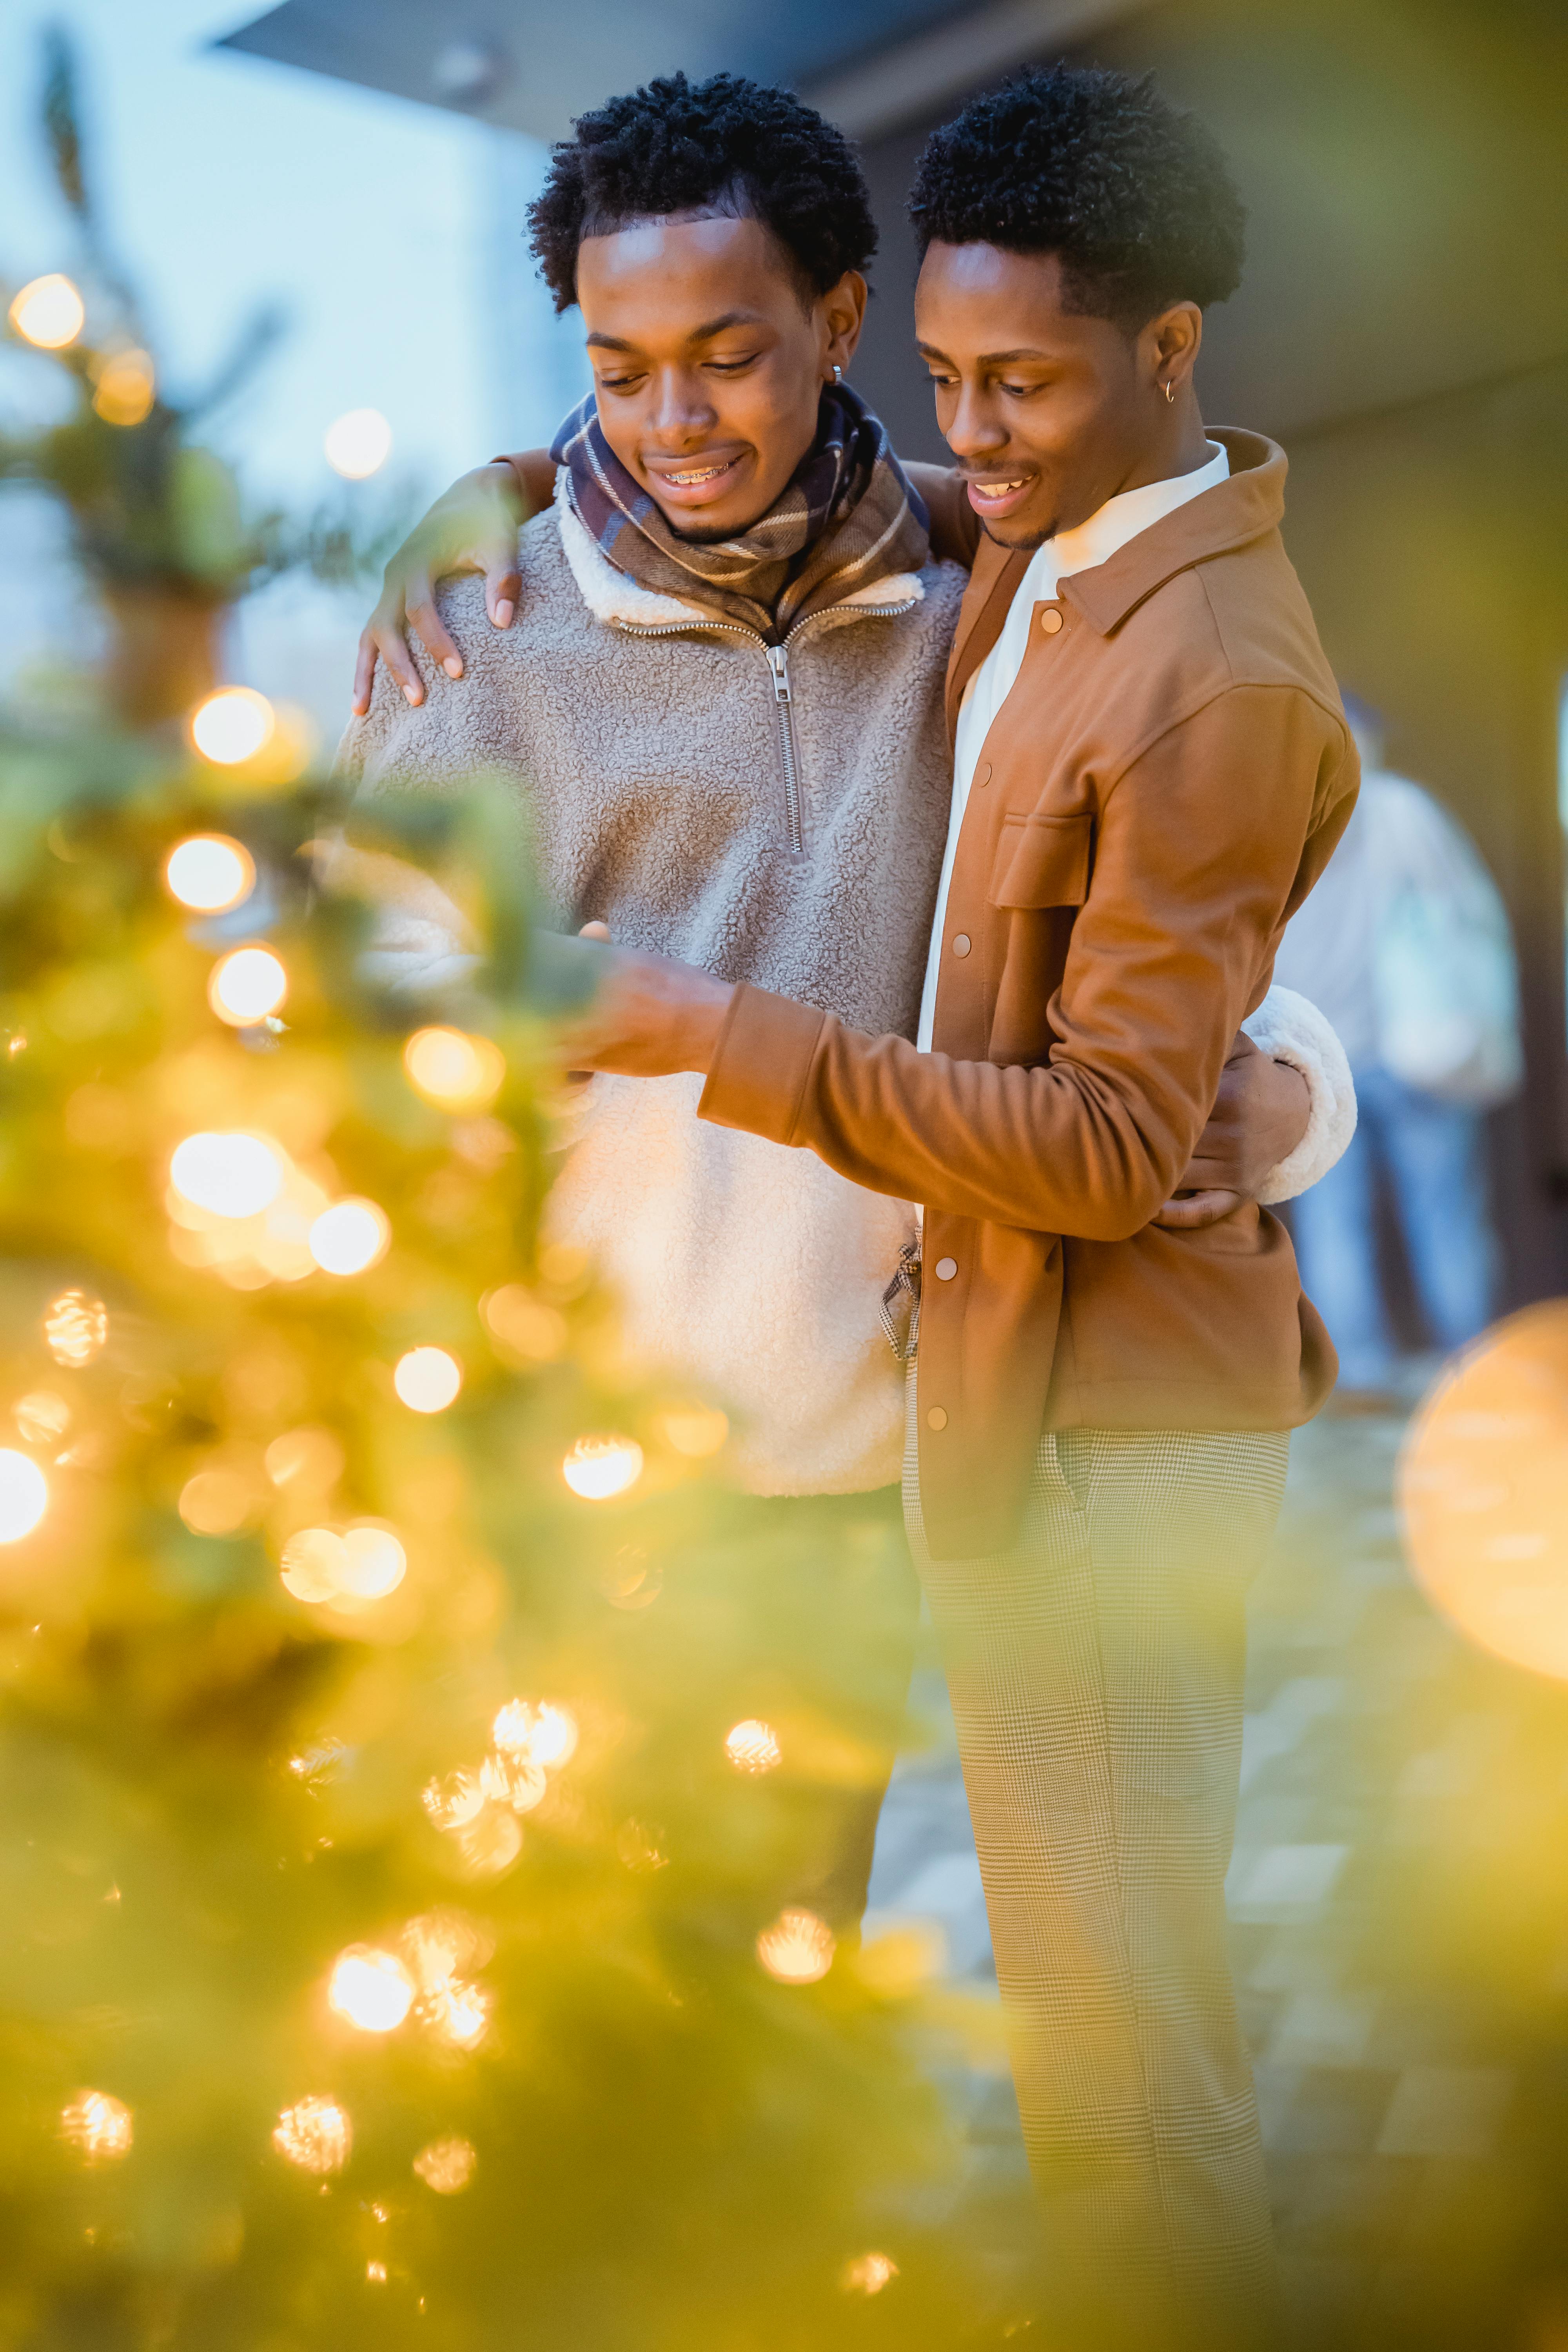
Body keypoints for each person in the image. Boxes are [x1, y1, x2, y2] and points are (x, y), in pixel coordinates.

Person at [340, 66, 1352, 2347]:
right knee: (661, 2065)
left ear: (837, 317)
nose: (673, 420)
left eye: (726, 352)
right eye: (614, 370)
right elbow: (352, 1073)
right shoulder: (476, 647)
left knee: (932, 2026)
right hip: (636, 1496)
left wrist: (1279, 1104)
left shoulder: (981, 579)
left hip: (921, 1446)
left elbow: (1212, 927)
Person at [1274, 695, 1518, 1403]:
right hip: (1421, 1050)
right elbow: (1464, 913)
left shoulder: (1282, 822)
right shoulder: (1402, 810)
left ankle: (1358, 1376)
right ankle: (1474, 1364)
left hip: (1322, 1061)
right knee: (1445, 1212)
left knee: (1332, 1222)